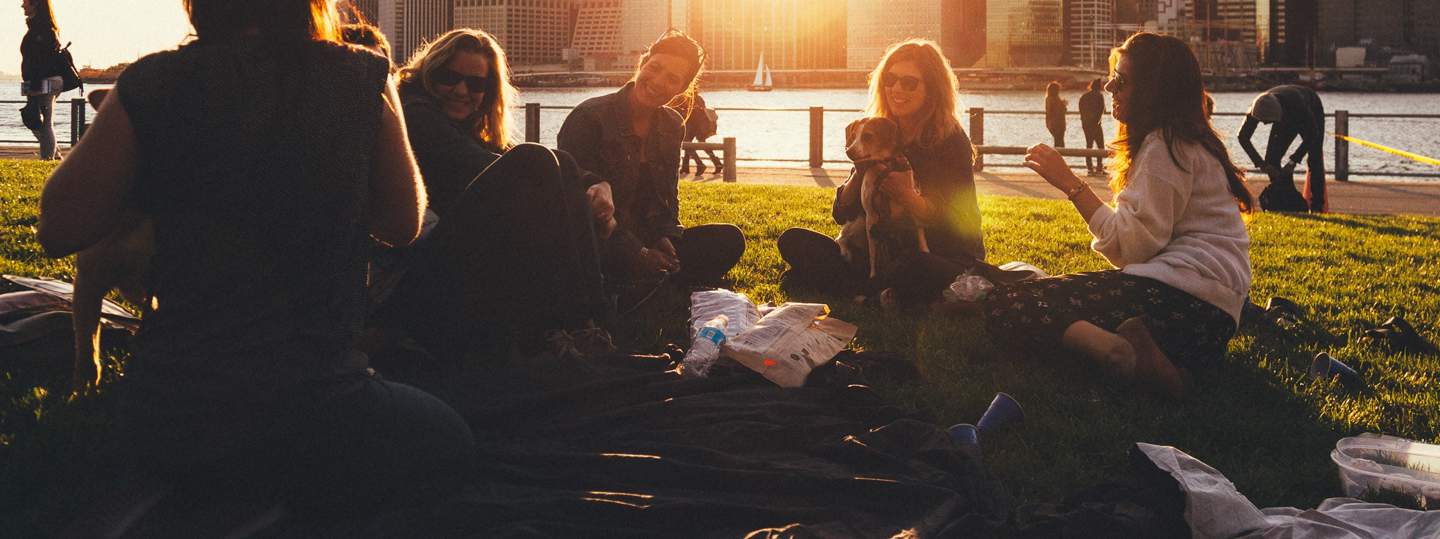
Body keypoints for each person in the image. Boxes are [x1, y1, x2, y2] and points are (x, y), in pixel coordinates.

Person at [36, 0, 473, 530]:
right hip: (315, 403)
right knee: (450, 437)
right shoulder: (360, 75)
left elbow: (58, 228)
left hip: (172, 407)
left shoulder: (153, 83)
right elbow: (403, 223)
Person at [990, 32, 1254, 400]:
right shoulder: (1187, 141)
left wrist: (1070, 183)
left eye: (1122, 80)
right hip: (1212, 319)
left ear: (1153, 91)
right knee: (1052, 312)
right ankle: (1163, 364)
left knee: (1011, 303)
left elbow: (1131, 248)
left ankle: (1121, 355)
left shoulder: (1165, 145)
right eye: (1113, 75)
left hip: (1179, 299)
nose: (1110, 86)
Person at [377, 28, 610, 365]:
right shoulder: (416, 114)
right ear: (430, 73)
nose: (461, 91)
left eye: (475, 85)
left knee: (564, 163)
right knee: (536, 162)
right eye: (449, 78)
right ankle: (573, 322)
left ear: (488, 92)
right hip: (417, 276)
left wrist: (597, 183)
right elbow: (500, 168)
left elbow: (510, 156)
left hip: (451, 262)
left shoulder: (465, 128)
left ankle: (584, 323)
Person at [777, 39, 987, 306]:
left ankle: (852, 288)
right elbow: (841, 214)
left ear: (932, 90)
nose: (896, 88)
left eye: (909, 83)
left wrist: (907, 196)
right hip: (879, 251)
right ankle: (873, 291)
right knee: (794, 240)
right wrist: (859, 172)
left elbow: (956, 221)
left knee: (916, 267)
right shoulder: (877, 132)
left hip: (938, 253)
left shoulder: (949, 140)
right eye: (890, 79)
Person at [558, 31, 745, 289]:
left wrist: (665, 236)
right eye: (655, 67)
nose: (657, 82)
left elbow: (668, 197)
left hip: (644, 235)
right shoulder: (589, 117)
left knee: (729, 239)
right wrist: (639, 253)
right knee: (594, 254)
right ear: (643, 62)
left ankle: (652, 276)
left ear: (681, 89)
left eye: (672, 79)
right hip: (599, 238)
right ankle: (644, 278)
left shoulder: (672, 124)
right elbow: (583, 209)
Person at [1238, 84, 1327, 212]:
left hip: (1311, 106)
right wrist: (1261, 164)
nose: (1263, 124)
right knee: (1271, 160)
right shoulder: (1255, 108)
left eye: (1267, 121)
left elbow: (1313, 134)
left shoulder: (1298, 106)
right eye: (1261, 120)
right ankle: (1285, 198)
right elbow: (1242, 137)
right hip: (1282, 110)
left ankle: (1317, 206)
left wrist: (1293, 161)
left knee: (1314, 157)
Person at [19, 0, 66, 160]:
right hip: (35, 81)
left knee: (45, 121)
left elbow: (42, 62)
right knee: (31, 118)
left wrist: (33, 86)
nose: (22, 5)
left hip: (44, 81)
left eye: (25, 2)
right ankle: (55, 154)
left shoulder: (44, 30)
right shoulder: (36, 28)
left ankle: (47, 159)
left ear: (35, 4)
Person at [678, 92, 724, 176]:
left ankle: (699, 164)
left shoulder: (685, 98)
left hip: (691, 124)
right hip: (700, 125)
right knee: (700, 144)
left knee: (687, 144)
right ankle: (717, 163)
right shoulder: (699, 98)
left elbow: (684, 111)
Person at [1079, 78, 1106, 175]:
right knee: (1100, 146)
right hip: (1096, 124)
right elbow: (1101, 110)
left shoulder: (1084, 96)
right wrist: (1097, 122)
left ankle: (1089, 168)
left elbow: (1081, 110)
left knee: (1089, 146)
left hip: (1086, 124)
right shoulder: (1099, 95)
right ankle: (1099, 168)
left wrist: (1084, 120)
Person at [1045, 81, 1068, 148]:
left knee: (1057, 141)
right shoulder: (1056, 99)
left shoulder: (1048, 98)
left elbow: (1049, 112)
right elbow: (1062, 111)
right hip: (1059, 123)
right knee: (1060, 142)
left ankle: (1056, 155)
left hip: (1052, 123)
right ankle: (1059, 156)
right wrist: (1064, 104)